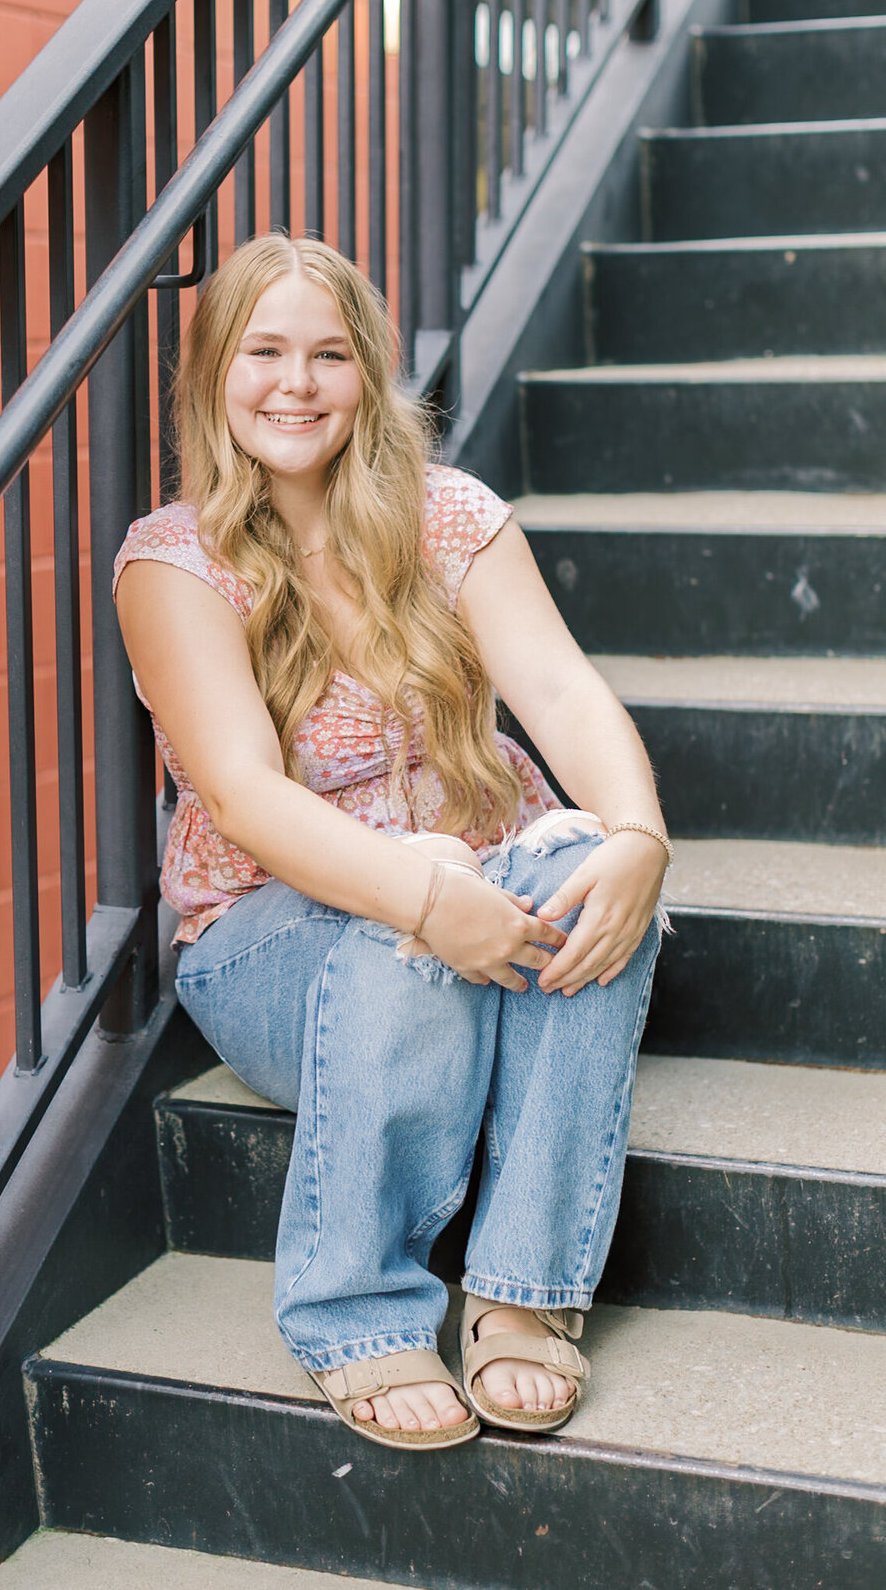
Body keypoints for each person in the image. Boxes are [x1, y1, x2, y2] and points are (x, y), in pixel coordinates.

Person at [114, 234, 670, 1452]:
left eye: (327, 354)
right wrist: (427, 901)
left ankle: (524, 1285)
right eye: (263, 351)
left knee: (591, 876)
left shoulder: (448, 515)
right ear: (213, 374)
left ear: (367, 373)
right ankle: (355, 1310)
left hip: (476, 866)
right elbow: (250, 797)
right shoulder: (175, 559)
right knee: (404, 939)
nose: (295, 383)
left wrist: (639, 833)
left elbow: (563, 690)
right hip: (269, 934)